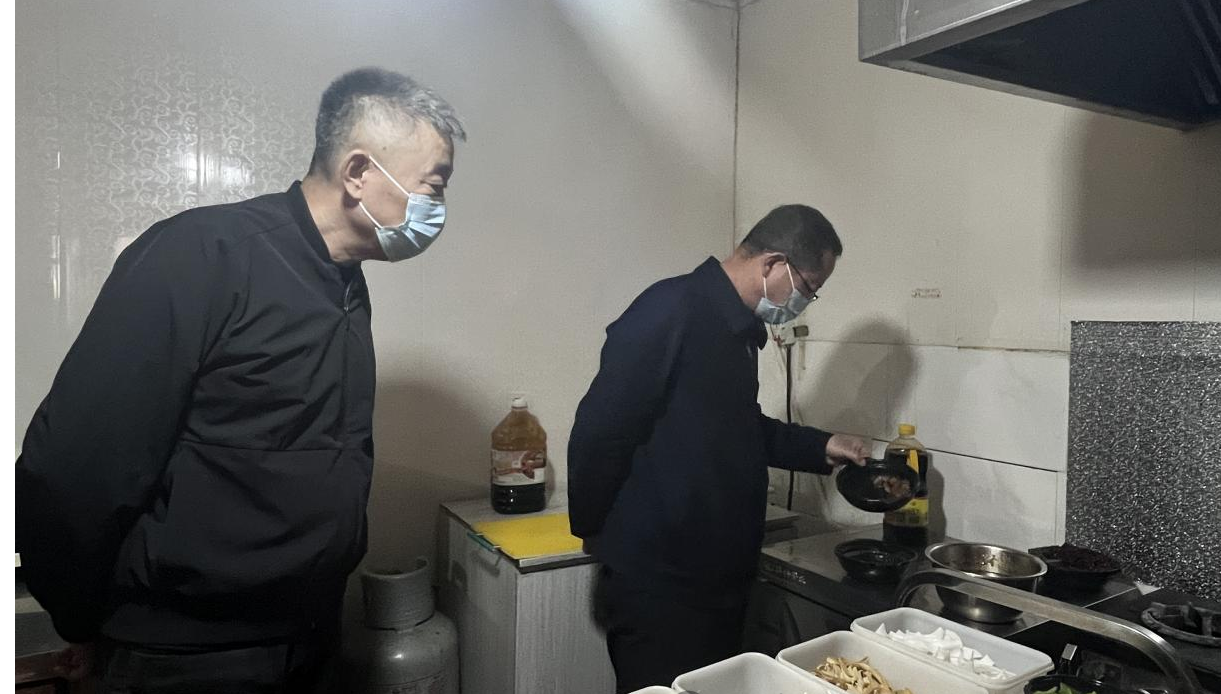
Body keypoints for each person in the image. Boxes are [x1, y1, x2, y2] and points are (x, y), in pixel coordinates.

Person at [15, 67, 464, 693]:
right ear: (359, 173)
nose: (437, 209)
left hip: (308, 632)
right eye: (432, 187)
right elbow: (73, 464)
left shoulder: (342, 282)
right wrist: (78, 618)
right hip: (184, 656)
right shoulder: (202, 255)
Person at [567, 204, 871, 692]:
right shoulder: (669, 310)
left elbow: (739, 427)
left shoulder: (737, 331)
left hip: (713, 578)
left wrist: (822, 446)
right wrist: (592, 528)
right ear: (774, 264)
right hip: (661, 582)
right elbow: (600, 430)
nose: (805, 302)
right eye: (808, 288)